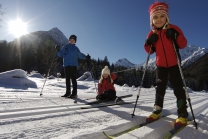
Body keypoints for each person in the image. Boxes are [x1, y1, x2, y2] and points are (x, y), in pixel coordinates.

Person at [144, 2, 188, 127]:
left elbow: (183, 44)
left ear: (167, 17)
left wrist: (175, 36)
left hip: (174, 64)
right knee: (160, 89)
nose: (158, 19)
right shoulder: (152, 33)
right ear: (152, 20)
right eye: (155, 17)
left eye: (161, 16)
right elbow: (149, 51)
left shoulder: (174, 29)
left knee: (178, 90)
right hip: (160, 66)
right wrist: (149, 42)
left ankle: (182, 114)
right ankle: (157, 110)